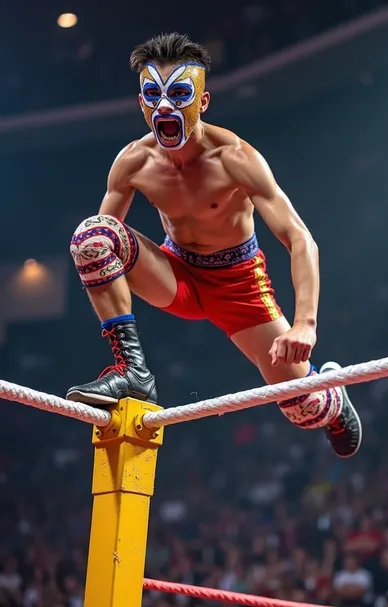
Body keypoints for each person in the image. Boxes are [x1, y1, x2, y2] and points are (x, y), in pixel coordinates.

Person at [67, 32, 362, 458]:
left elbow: (300, 238)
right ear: (142, 103)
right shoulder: (134, 161)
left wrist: (306, 325)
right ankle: (133, 371)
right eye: (154, 95)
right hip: (177, 274)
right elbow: (102, 254)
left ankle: (332, 398)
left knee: (303, 408)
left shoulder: (236, 158)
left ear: (202, 102)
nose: (165, 106)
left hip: (238, 285)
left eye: (179, 94)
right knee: (92, 236)